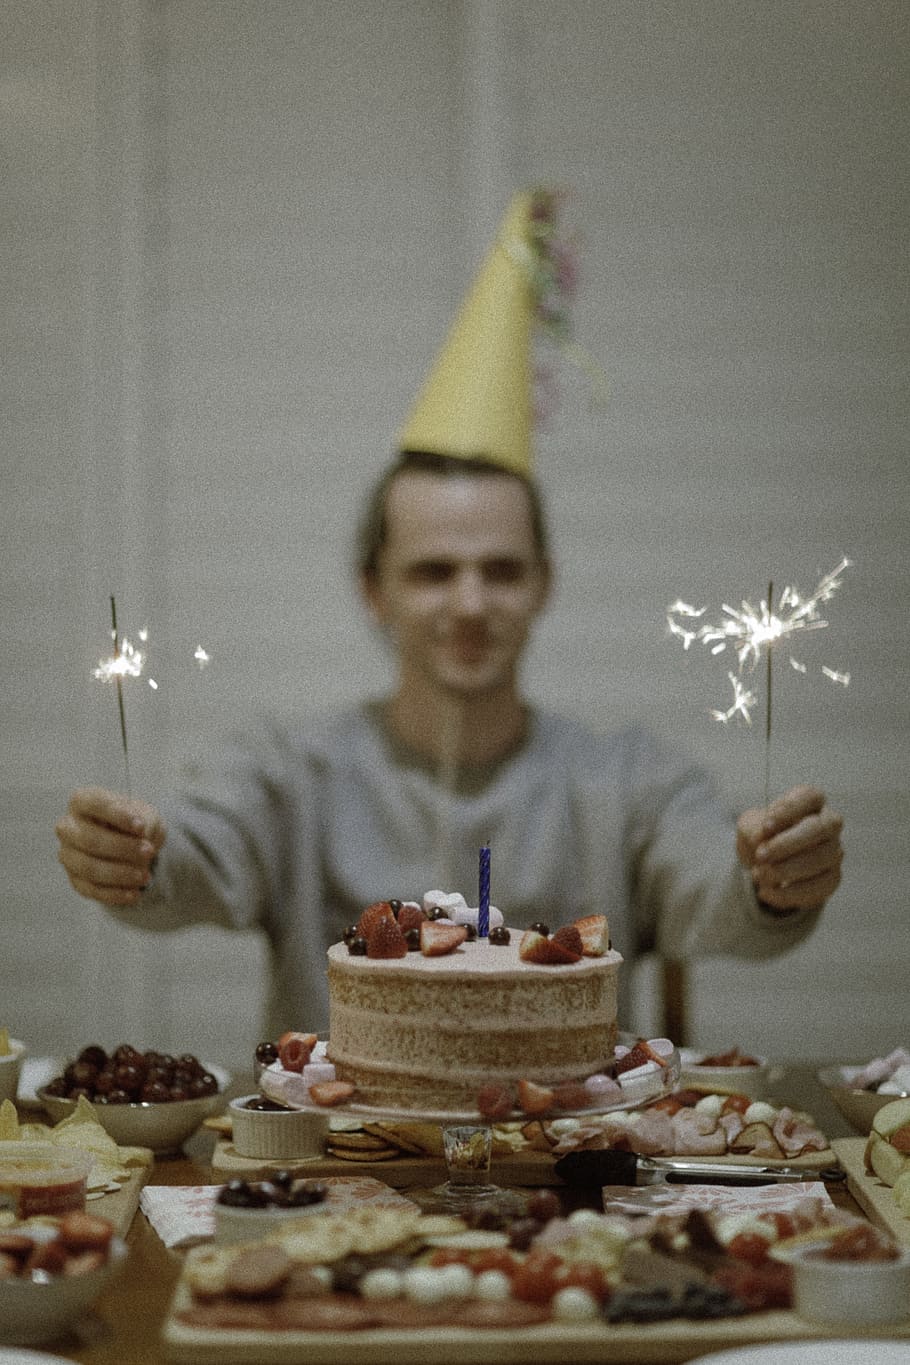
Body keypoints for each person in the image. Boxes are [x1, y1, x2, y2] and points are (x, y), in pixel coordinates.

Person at [54, 192, 843, 1037]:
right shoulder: (291, 772)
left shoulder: (626, 781)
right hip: (341, 1160)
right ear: (374, 587)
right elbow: (193, 859)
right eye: (434, 570)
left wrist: (769, 880)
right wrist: (135, 861)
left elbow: (714, 889)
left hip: (565, 1154)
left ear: (544, 583)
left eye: (501, 570)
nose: (471, 602)